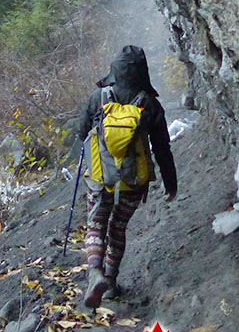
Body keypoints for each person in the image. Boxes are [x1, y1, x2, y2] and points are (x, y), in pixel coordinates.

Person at [75, 45, 177, 309]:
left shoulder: (98, 97)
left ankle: (94, 272)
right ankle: (110, 282)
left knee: (96, 222)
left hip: (100, 175)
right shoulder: (149, 104)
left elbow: (81, 132)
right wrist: (170, 183)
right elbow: (162, 148)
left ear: (115, 69)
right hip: (133, 178)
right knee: (118, 227)